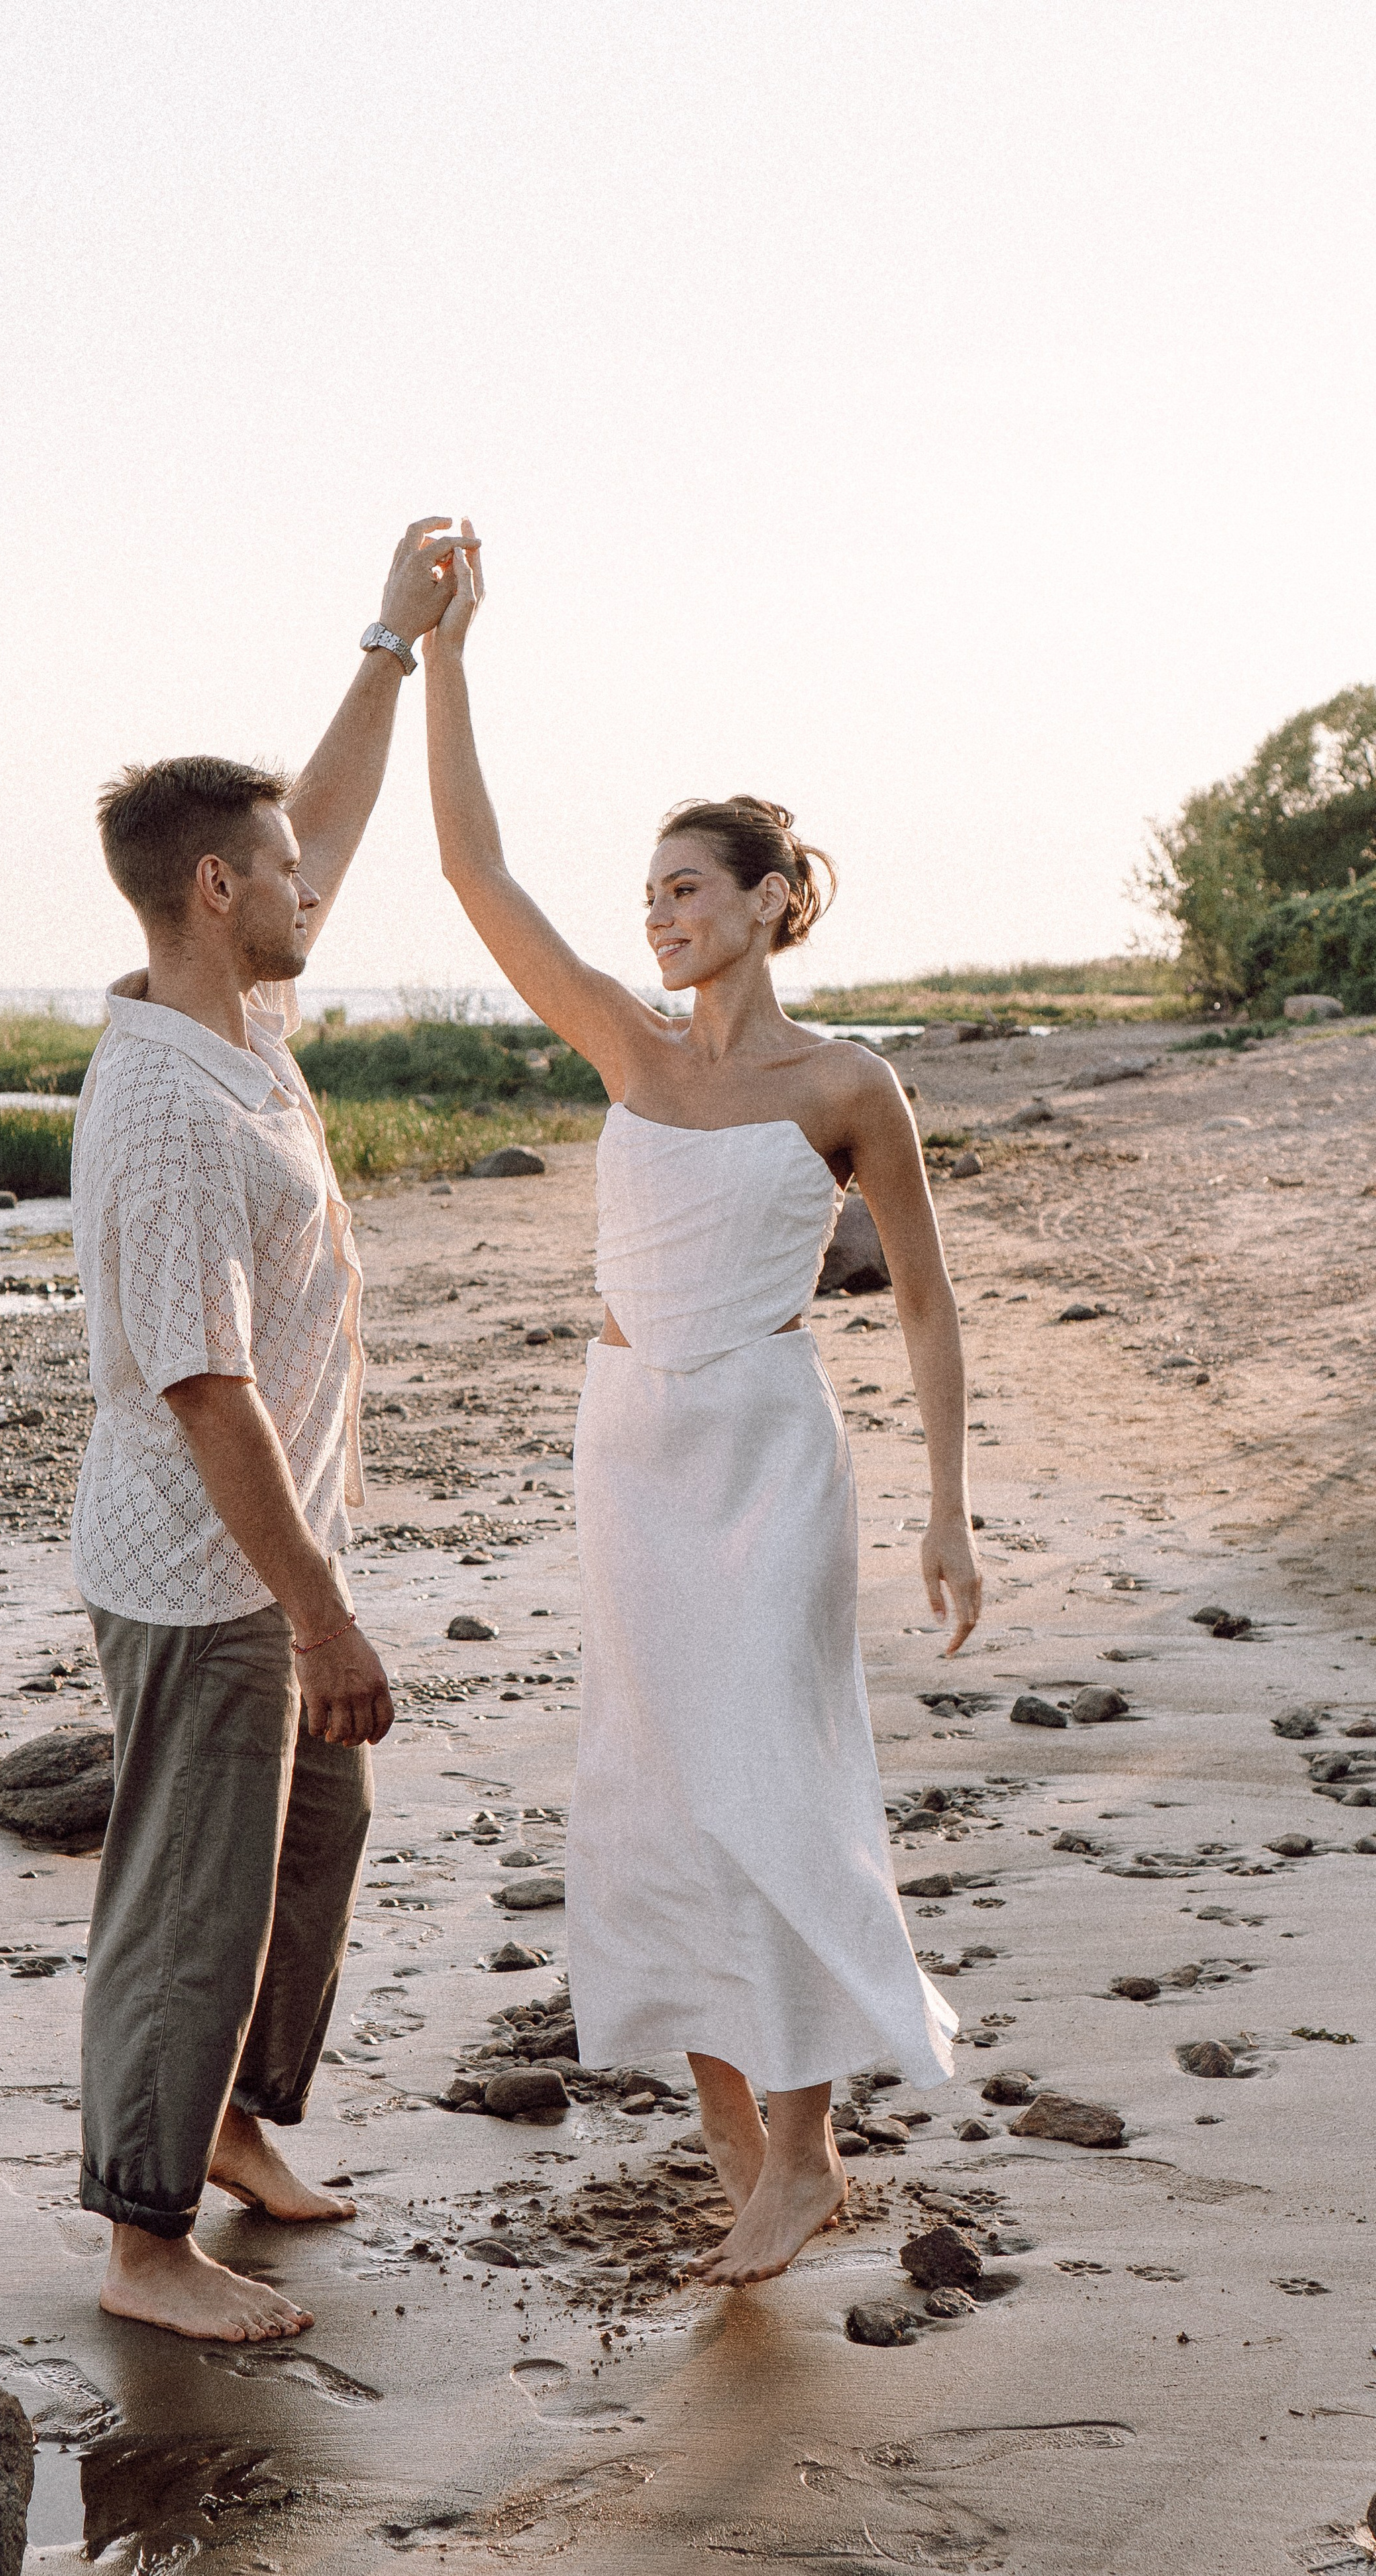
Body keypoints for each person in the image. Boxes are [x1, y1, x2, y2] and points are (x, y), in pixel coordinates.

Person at [422, 526, 982, 2287]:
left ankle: (804, 2154)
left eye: (685, 887)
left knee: (772, 1786)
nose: (654, 913)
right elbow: (473, 869)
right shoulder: (625, 1045)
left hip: (764, 1454)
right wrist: (445, 652)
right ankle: (750, 2151)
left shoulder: (846, 1084)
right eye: (649, 888)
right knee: (661, 1793)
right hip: (630, 1451)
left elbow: (934, 1303)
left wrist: (947, 1508)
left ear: (766, 903)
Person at [68, 519, 460, 2342]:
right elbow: (204, 1393)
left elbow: (331, 809)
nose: (318, 880)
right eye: (286, 868)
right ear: (218, 887)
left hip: (267, 1554)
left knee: (316, 1839)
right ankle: (146, 2244)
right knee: (189, 1896)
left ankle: (231, 2123)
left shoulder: (242, 1023)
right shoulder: (163, 1110)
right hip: (206, 1571)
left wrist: (390, 641)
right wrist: (320, 1613)